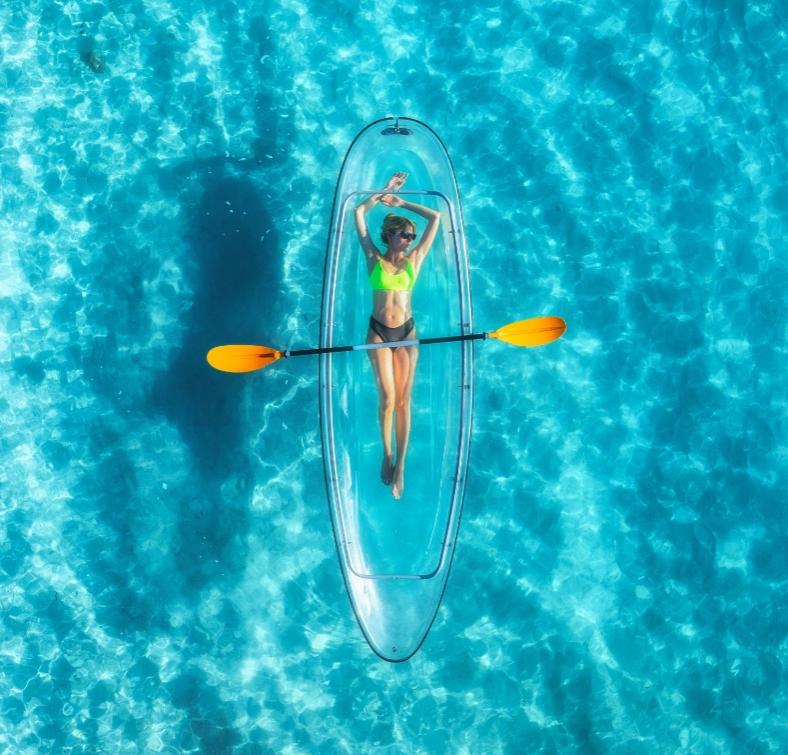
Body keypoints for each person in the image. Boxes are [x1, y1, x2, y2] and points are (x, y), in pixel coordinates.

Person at [353, 172, 441, 499]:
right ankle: (386, 454)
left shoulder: (415, 259)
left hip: (406, 333)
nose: (410, 239)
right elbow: (358, 214)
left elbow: (437, 217)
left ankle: (401, 464)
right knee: (388, 400)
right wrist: (382, 192)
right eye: (404, 235)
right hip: (378, 331)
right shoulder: (373, 257)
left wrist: (403, 202)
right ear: (389, 236)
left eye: (411, 235)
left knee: (404, 401)